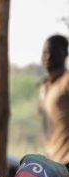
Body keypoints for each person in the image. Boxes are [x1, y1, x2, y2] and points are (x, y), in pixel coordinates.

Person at [39, 34, 69, 165]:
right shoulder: (44, 87)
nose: (47, 57)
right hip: (52, 164)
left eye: (53, 52)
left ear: (65, 54)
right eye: (45, 53)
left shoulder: (66, 81)